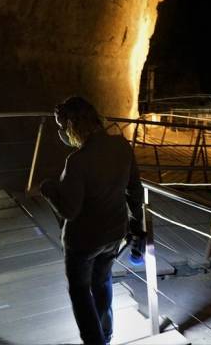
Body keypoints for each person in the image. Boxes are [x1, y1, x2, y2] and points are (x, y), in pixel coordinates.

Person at [39, 96, 144, 344]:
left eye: (62, 125)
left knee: (79, 292)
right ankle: (105, 335)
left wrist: (49, 189)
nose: (61, 132)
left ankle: (94, 341)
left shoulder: (77, 161)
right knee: (102, 281)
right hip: (114, 232)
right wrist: (136, 224)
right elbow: (134, 189)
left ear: (73, 124)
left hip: (83, 241)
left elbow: (69, 210)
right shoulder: (121, 146)